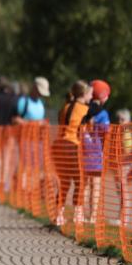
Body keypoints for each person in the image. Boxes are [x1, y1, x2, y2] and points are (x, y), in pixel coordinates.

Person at [51, 81, 92, 228]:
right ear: (84, 94)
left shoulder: (65, 106)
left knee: (64, 182)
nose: (92, 96)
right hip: (72, 145)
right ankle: (78, 215)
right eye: (90, 94)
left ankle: (59, 215)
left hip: (58, 145)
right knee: (80, 181)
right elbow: (85, 130)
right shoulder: (84, 109)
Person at [81, 80, 111, 224]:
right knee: (96, 184)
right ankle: (92, 216)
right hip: (96, 151)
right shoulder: (103, 114)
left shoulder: (84, 108)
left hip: (83, 149)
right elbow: (106, 132)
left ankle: (82, 214)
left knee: (85, 184)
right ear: (103, 96)